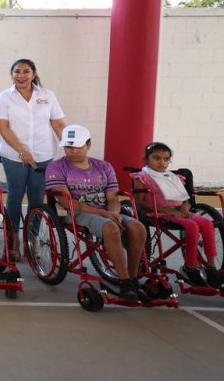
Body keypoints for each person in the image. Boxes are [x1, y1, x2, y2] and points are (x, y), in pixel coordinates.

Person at [44, 124, 147, 302]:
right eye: (68, 146)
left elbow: (113, 198)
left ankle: (133, 278)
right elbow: (67, 202)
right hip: (76, 211)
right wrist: (105, 215)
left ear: (88, 145)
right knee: (110, 228)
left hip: (105, 211)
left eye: (78, 146)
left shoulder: (103, 166)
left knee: (138, 228)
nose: (73, 151)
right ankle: (124, 282)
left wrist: (113, 214)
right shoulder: (56, 167)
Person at [0, 58, 67, 259]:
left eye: (26, 71)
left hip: (43, 155)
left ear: (33, 74)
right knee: (15, 196)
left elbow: (58, 124)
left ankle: (32, 240)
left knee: (36, 199)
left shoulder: (47, 95)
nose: (21, 75)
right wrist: (22, 151)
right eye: (17, 71)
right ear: (12, 74)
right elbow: (3, 128)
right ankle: (13, 241)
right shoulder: (4, 97)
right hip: (13, 156)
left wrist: (70, 146)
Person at [134, 142, 222, 288]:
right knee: (192, 225)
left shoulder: (174, 177)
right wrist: (165, 210)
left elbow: (185, 198)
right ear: (146, 159)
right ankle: (190, 267)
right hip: (158, 212)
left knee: (207, 223)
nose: (162, 162)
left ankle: (211, 267)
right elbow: (139, 201)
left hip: (180, 211)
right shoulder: (142, 177)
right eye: (156, 158)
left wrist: (185, 208)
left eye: (166, 159)